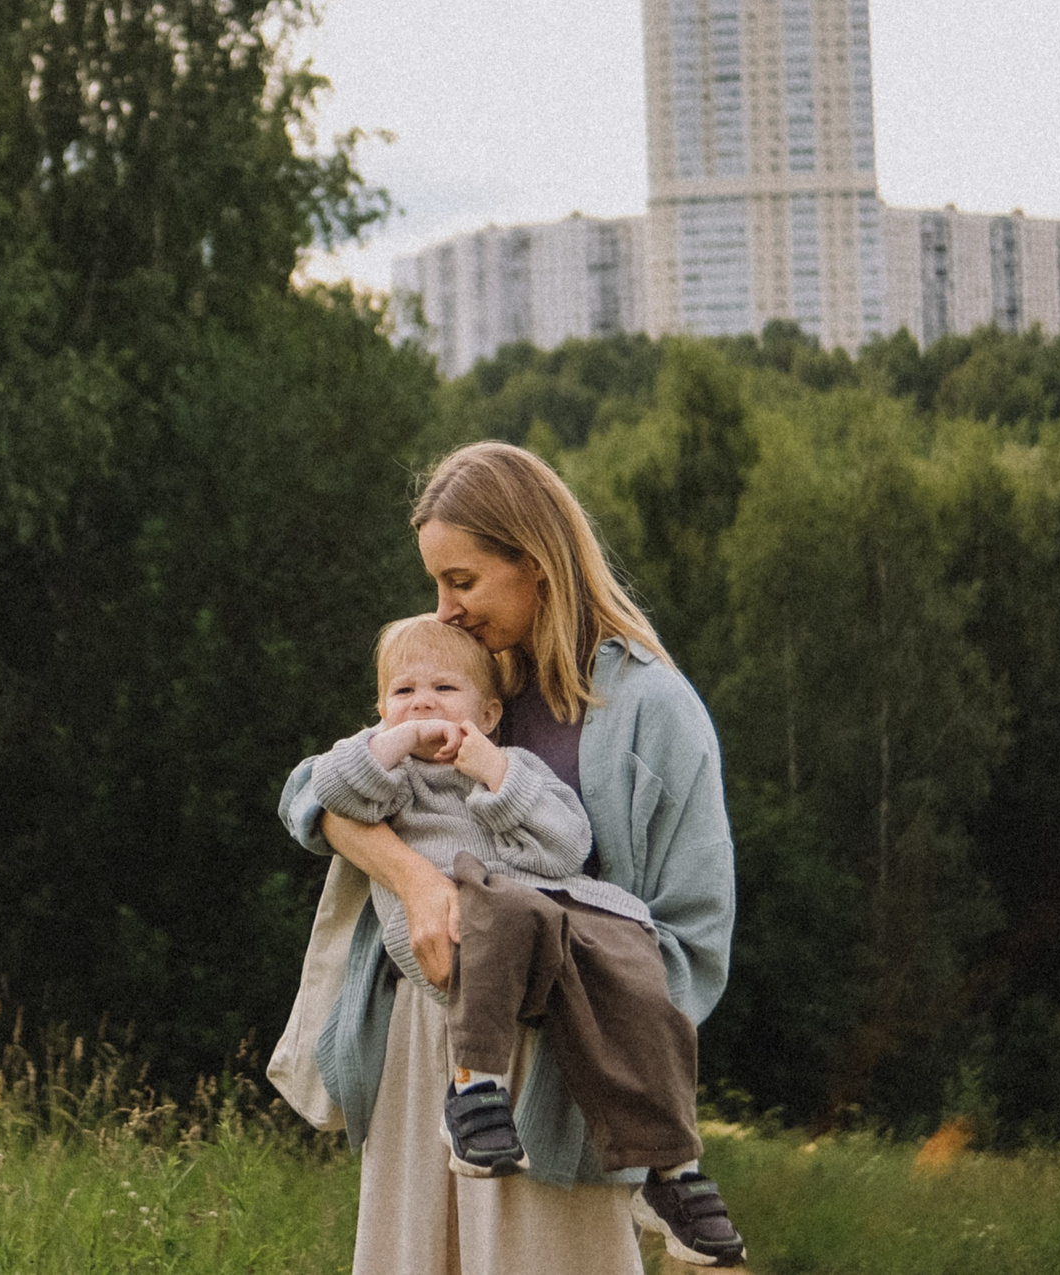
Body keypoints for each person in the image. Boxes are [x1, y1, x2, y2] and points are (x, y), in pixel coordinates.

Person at [279, 440, 745, 1272]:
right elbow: (313, 797)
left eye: (462, 581)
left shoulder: (654, 711)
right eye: (436, 584)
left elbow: (690, 952)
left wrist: (536, 966)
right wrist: (418, 883)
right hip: (425, 1059)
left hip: (555, 1082)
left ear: (535, 564)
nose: (446, 608)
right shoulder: (461, 679)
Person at [311, 613, 705, 1189]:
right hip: (449, 925)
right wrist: (391, 742)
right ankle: (473, 1090)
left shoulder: (512, 768)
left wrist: (494, 774)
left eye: (444, 690)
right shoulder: (388, 775)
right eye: (404, 693)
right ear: (380, 710)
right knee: (506, 909)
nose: (423, 705)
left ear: (490, 715)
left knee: (632, 950)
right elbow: (331, 790)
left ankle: (672, 1168)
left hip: (533, 917)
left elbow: (567, 849)